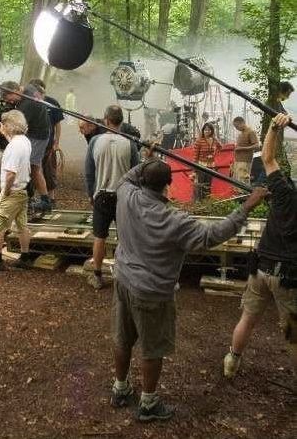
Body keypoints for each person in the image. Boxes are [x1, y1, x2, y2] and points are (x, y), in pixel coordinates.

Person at [110, 152, 267, 422]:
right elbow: (211, 235)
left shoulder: (125, 194)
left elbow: (129, 175)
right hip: (151, 293)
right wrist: (246, 207)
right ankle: (148, 404)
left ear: (142, 179)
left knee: (123, 339)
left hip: (123, 280)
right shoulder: (174, 221)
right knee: (152, 348)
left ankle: (120, 388)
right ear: (167, 185)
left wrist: (148, 161)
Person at [223, 113, 297, 381]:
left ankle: (232, 360)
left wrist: (275, 127)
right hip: (288, 276)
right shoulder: (286, 192)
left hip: (261, 267)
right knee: (294, 333)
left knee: (248, 318)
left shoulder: (284, 192)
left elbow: (267, 157)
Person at [85, 105, 139, 290]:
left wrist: (90, 193)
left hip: (101, 195)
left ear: (106, 120)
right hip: (123, 196)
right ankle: (126, 275)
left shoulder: (95, 142)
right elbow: (135, 173)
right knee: (125, 237)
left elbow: (89, 172)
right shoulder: (130, 143)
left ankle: (97, 275)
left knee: (99, 236)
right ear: (121, 121)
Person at [0, 110, 32, 271]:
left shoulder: (13, 147)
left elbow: (10, 174)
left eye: (5, 124)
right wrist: (2, 132)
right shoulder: (24, 140)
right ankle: (25, 258)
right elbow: (13, 141)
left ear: (10, 125)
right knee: (22, 225)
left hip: (12, 191)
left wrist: (6, 191)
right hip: (23, 190)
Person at [0, 81, 52, 212]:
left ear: (15, 91)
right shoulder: (29, 88)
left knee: (32, 167)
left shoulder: (27, 105)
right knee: (31, 166)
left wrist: (0, 130)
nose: (8, 102)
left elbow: (17, 126)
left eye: (8, 98)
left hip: (38, 136)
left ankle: (41, 200)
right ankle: (35, 197)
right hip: (37, 132)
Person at [29, 78, 64, 208]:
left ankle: (51, 199)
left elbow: (58, 124)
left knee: (49, 172)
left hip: (49, 145)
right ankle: (33, 198)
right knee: (33, 171)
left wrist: (57, 142)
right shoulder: (28, 102)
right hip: (33, 144)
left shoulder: (52, 102)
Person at [192, 122, 222, 201]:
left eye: (209, 130)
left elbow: (220, 147)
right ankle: (199, 202)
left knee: (208, 184)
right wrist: (194, 170)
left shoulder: (214, 140)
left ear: (212, 131)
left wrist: (213, 154)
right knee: (200, 184)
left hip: (211, 166)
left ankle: (207, 201)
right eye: (205, 130)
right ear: (203, 131)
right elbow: (195, 156)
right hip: (201, 166)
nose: (207, 131)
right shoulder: (199, 141)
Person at [231, 117, 259, 184]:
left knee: (243, 179)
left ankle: (244, 190)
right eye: (235, 127)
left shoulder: (251, 132)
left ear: (242, 123)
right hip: (238, 160)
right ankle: (238, 190)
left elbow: (257, 145)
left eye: (237, 126)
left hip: (245, 160)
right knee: (237, 180)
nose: (236, 128)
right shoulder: (241, 133)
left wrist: (242, 148)